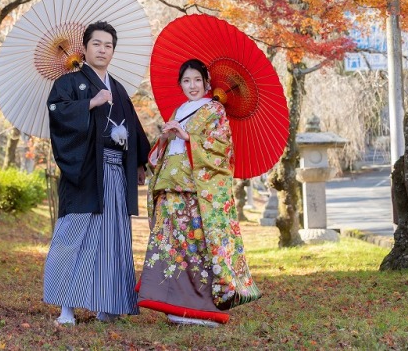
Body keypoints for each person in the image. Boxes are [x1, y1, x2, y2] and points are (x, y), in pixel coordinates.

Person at [137, 58, 261, 327]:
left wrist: (188, 137)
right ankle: (174, 305)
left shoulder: (215, 109)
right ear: (180, 84)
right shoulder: (179, 109)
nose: (191, 85)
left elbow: (221, 148)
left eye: (197, 80)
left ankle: (204, 308)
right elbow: (162, 154)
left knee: (196, 244)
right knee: (171, 246)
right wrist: (166, 139)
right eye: (186, 80)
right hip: (170, 186)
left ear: (206, 83)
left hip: (195, 190)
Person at [43, 21, 150, 326]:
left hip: (116, 174)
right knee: (74, 234)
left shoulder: (117, 88)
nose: (102, 50)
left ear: (113, 50)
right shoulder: (68, 84)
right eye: (97, 44)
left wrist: (139, 162)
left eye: (108, 46)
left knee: (112, 239)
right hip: (85, 172)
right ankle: (67, 309)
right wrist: (90, 102)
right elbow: (57, 114)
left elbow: (133, 128)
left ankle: (107, 305)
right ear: (85, 48)